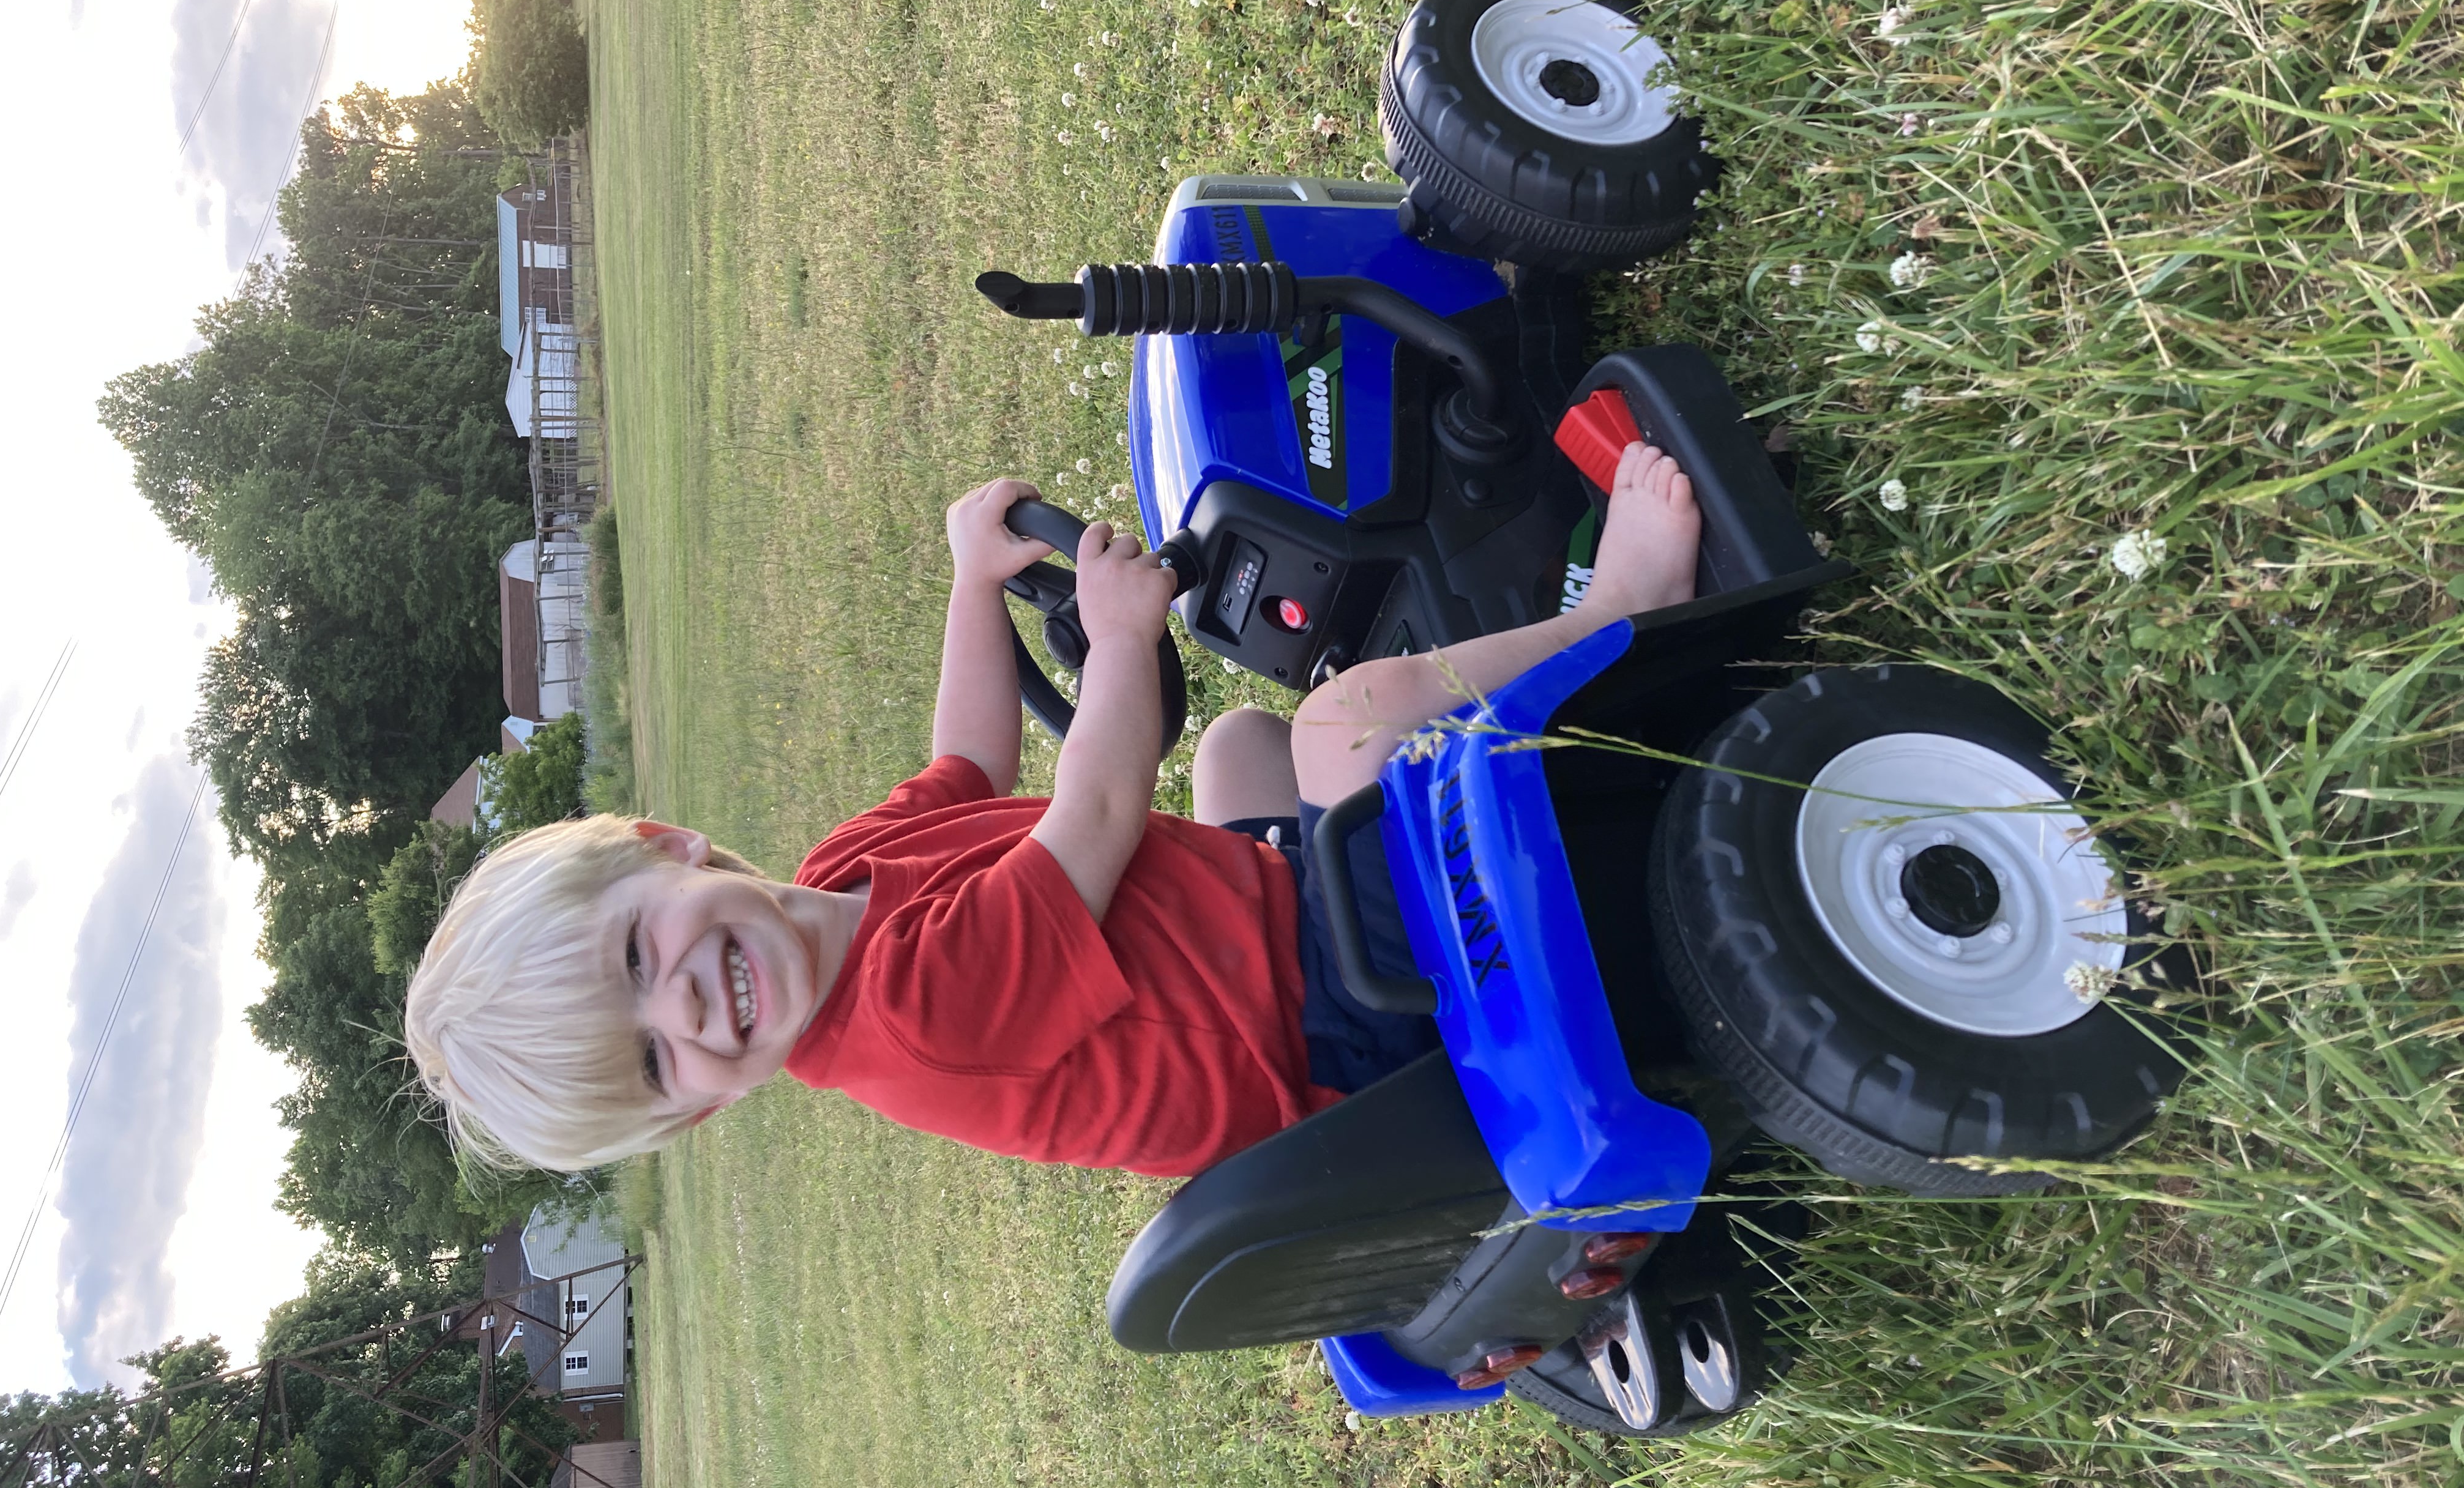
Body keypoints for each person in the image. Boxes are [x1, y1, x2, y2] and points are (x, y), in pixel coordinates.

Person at [405, 441, 1698, 1180]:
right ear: (695, 1112)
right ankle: (1622, 619)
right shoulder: (912, 1017)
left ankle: (1525, 718)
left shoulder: (839, 879)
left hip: (1273, 938)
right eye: (653, 1061)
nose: (679, 1008)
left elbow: (965, 763)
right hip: (1340, 1043)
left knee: (1247, 750)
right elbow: (1094, 807)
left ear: (664, 847)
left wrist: (976, 585)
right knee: (1339, 725)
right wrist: (1124, 637)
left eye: (635, 958)